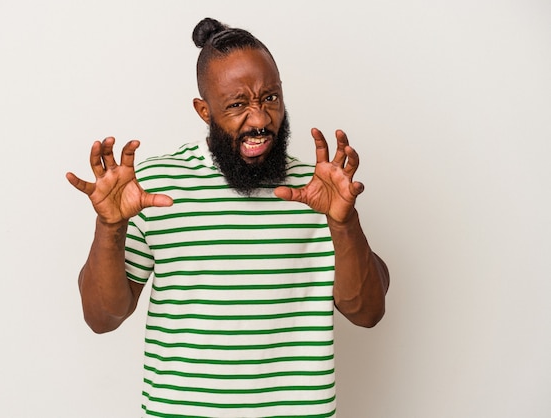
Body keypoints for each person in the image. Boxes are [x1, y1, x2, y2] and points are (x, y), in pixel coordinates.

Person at [67, 17, 389, 418]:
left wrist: (344, 222)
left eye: (270, 98)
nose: (258, 120)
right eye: (237, 105)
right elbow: (102, 318)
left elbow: (367, 313)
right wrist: (110, 227)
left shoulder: (319, 191)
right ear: (204, 110)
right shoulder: (150, 188)